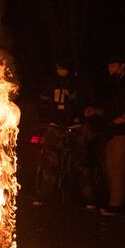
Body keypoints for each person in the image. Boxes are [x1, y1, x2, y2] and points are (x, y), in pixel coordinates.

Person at [84, 53, 125, 215]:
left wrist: (121, 120)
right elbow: (111, 108)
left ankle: (116, 206)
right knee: (111, 168)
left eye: (113, 65)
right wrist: (96, 111)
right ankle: (117, 202)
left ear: (122, 65)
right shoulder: (115, 84)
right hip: (112, 132)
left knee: (119, 169)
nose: (109, 68)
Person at [34, 61, 82, 205]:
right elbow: (42, 100)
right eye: (58, 68)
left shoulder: (77, 83)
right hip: (55, 126)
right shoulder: (51, 82)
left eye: (62, 68)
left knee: (78, 162)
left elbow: (83, 102)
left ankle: (78, 198)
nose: (60, 70)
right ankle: (45, 196)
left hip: (75, 127)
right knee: (50, 163)